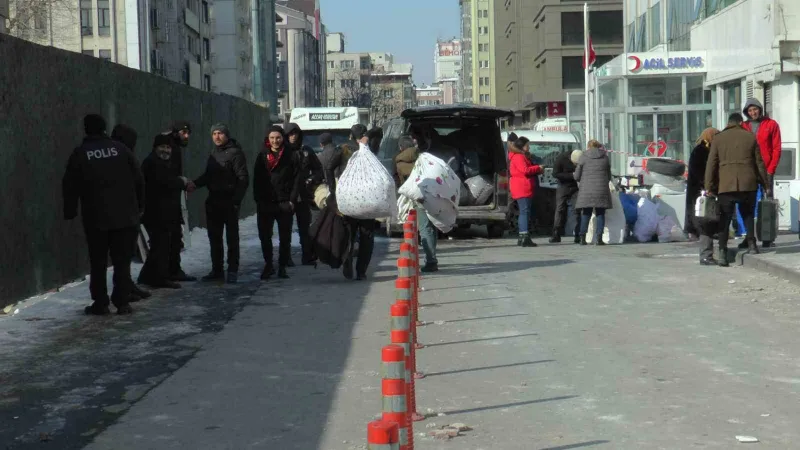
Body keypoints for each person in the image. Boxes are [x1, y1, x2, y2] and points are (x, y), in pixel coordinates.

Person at [63, 114, 144, 315]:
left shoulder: (81, 153)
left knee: (98, 263)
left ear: (86, 129)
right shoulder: (121, 150)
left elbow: (70, 184)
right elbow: (139, 180)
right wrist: (140, 207)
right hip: (126, 217)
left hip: (96, 218)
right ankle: (122, 301)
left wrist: (70, 210)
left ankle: (101, 302)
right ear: (104, 128)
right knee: (122, 262)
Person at [705, 113, 769, 266]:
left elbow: (711, 164)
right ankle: (752, 245)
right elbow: (759, 163)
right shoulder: (750, 137)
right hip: (748, 183)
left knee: (725, 219)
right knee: (748, 215)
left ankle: (722, 253)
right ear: (740, 122)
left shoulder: (718, 138)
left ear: (728, 123)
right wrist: (766, 183)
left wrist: (709, 185)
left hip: (725, 186)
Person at [192, 123, 249, 283]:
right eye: (214, 134)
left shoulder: (235, 154)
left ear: (227, 135)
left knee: (232, 238)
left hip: (229, 202)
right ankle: (217, 270)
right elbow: (208, 176)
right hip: (213, 202)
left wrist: (236, 201)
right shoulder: (213, 154)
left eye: (220, 133)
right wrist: (194, 184)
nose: (217, 137)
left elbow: (243, 179)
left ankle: (232, 270)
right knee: (214, 238)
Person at [137, 134, 192, 288]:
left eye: (168, 147)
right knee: (160, 246)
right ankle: (159, 278)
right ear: (155, 148)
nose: (165, 150)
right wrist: (181, 181)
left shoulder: (161, 162)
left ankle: (147, 276)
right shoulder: (152, 163)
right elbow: (162, 183)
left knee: (160, 245)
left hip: (163, 212)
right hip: (155, 213)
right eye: (162, 147)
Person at [323, 124, 376, 280]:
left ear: (350, 136)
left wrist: (333, 190)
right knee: (367, 236)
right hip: (367, 198)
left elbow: (328, 168)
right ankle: (361, 271)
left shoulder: (343, 149)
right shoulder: (370, 151)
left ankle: (347, 261)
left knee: (349, 233)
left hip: (348, 197)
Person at [110, 124, 152, 302]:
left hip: (110, 213)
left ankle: (125, 287)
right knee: (122, 256)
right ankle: (122, 291)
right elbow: (139, 183)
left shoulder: (112, 154)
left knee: (122, 257)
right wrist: (140, 207)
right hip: (126, 213)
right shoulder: (125, 156)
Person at [254, 126, 302, 280]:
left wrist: (292, 200)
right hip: (266, 203)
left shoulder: (291, 155)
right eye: (272, 138)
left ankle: (282, 266)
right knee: (265, 236)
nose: (275, 141)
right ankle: (268, 265)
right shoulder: (262, 156)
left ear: (283, 138)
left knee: (285, 236)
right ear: (268, 139)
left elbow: (297, 179)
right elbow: (257, 180)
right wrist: (258, 200)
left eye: (278, 138)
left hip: (284, 202)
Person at [742, 98, 782, 248]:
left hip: (766, 169)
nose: (753, 113)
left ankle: (767, 236)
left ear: (760, 109)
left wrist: (771, 169)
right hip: (749, 169)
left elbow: (776, 148)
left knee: (767, 203)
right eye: (750, 110)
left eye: (755, 109)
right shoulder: (743, 126)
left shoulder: (771, 125)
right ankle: (749, 236)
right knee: (748, 204)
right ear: (746, 112)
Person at [284, 123, 324, 266]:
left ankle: (307, 255)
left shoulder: (306, 151)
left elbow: (319, 169)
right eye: (290, 134)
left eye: (295, 134)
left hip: (303, 194)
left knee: (305, 227)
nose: (293, 137)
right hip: (287, 196)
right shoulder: (282, 152)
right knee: (286, 228)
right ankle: (286, 257)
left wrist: (312, 179)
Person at [162, 121, 196, 281]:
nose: (187, 136)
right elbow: (167, 177)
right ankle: (172, 271)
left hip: (170, 199)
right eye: (184, 132)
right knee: (173, 237)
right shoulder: (170, 148)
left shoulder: (171, 146)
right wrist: (182, 182)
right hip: (167, 201)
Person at [686, 127, 720, 265]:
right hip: (701, 194)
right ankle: (706, 255)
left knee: (707, 223)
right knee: (706, 223)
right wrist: (708, 186)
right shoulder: (701, 151)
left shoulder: (704, 149)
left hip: (703, 192)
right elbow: (699, 172)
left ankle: (708, 254)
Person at [573, 140, 613, 246]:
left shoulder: (583, 157)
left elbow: (576, 176)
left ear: (588, 146)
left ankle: (582, 238)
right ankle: (599, 239)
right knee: (600, 213)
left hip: (586, 191)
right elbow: (609, 176)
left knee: (586, 213)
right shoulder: (605, 157)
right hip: (601, 190)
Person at [508, 137, 543, 247]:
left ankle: (522, 236)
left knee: (524, 211)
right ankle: (524, 236)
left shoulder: (518, 156)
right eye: (527, 145)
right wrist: (538, 168)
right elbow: (525, 170)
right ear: (522, 146)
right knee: (524, 212)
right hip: (522, 187)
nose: (529, 147)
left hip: (521, 186)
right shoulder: (519, 157)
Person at [550, 148, 581, 244]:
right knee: (560, 209)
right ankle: (556, 234)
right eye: (575, 164)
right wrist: (571, 175)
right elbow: (555, 174)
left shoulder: (581, 157)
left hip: (576, 187)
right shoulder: (561, 159)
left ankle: (578, 234)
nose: (576, 166)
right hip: (563, 186)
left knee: (577, 210)